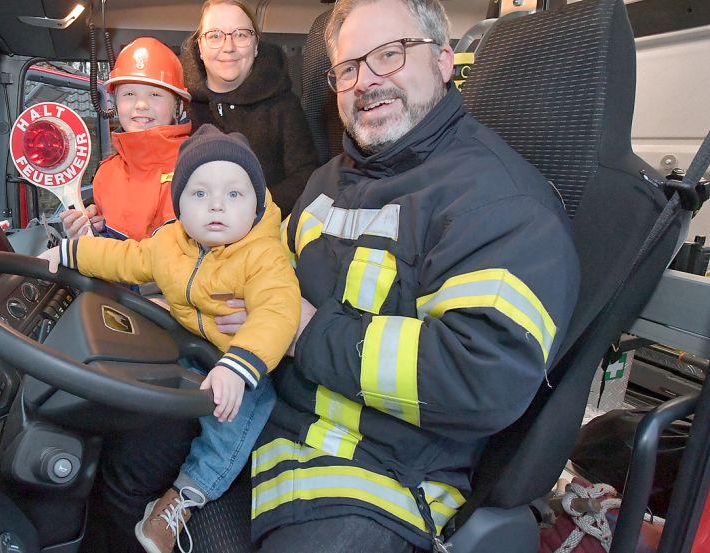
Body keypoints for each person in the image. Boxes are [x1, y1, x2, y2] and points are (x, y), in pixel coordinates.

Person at [236, 0, 581, 551]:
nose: (365, 82)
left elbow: (480, 373)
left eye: (389, 56)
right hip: (256, 432)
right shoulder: (328, 179)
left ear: (444, 60)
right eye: (348, 69)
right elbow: (266, 270)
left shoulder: (500, 203)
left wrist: (306, 331)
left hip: (374, 482)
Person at [41, 125, 300, 553]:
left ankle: (186, 496)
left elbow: (277, 311)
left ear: (257, 203)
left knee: (233, 423)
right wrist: (69, 253)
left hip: (244, 358)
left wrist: (239, 366)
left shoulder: (263, 254)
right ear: (179, 203)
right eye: (199, 194)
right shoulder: (170, 243)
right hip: (187, 347)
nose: (216, 205)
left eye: (234, 194)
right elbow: (126, 257)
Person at [180, 0, 318, 215]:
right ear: (199, 48)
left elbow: (305, 175)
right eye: (215, 36)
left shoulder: (283, 104)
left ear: (255, 47)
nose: (229, 47)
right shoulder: (180, 104)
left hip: (265, 227)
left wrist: (253, 209)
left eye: (241, 35)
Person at [60, 37, 192, 241]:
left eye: (155, 94)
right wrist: (89, 235)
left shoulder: (197, 168)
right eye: (129, 93)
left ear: (178, 106)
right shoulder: (106, 174)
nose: (141, 104)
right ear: (116, 103)